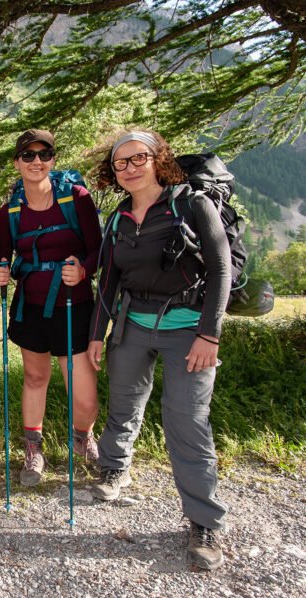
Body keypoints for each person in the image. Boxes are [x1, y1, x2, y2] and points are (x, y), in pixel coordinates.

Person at [87, 129, 230, 571]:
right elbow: (108, 280)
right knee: (123, 404)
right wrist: (98, 332)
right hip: (132, 326)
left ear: (158, 159)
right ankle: (114, 469)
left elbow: (221, 267)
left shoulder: (191, 204)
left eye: (138, 158)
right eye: (120, 163)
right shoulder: (117, 218)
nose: (129, 168)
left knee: (187, 421)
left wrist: (210, 334)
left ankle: (204, 522)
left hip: (189, 331)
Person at [0, 129, 102, 486]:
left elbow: (98, 250)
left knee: (83, 396)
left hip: (75, 305)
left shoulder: (77, 199)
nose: (36, 161)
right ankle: (33, 450)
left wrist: (83, 269)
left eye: (44, 155)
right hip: (32, 307)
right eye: (28, 156)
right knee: (35, 378)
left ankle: (83, 437)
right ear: (17, 162)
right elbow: (4, 255)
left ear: (53, 160)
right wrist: (1, 271)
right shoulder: (9, 210)